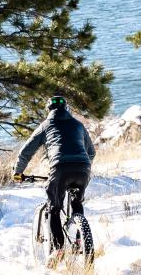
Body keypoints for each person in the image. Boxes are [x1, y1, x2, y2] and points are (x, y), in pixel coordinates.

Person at [12, 95, 96, 252]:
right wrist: (83, 166)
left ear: (48, 110)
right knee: (77, 203)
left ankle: (58, 249)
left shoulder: (46, 125)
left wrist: (18, 172)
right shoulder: (78, 125)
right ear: (66, 109)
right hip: (83, 168)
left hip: (60, 168)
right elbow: (91, 152)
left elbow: (25, 152)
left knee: (54, 208)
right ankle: (79, 241)